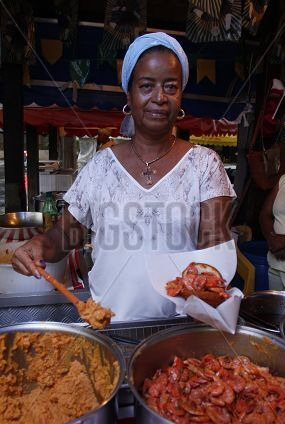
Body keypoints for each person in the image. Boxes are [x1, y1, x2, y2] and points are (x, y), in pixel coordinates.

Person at [12, 32, 235, 321]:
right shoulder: (100, 167)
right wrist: (38, 245)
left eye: (171, 86)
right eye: (146, 86)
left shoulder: (205, 165)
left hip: (180, 334)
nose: (159, 97)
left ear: (181, 96)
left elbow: (214, 256)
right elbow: (65, 235)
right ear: (129, 95)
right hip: (107, 327)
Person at [260, 169, 285, 293]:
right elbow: (264, 215)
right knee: (276, 310)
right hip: (276, 262)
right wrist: (272, 240)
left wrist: (284, 240)